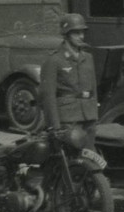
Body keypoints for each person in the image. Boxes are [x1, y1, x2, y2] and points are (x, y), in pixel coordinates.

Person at [39, 13, 100, 150]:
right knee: (69, 161)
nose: (81, 37)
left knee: (91, 158)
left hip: (88, 117)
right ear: (66, 34)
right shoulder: (54, 60)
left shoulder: (88, 57)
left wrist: (94, 114)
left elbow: (93, 88)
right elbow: (48, 96)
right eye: (76, 33)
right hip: (67, 118)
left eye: (82, 32)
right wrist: (54, 126)